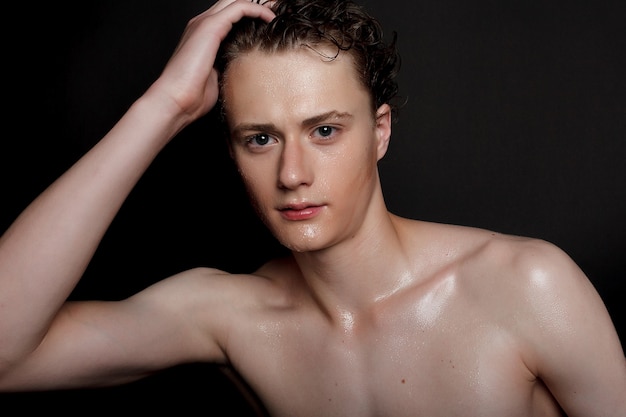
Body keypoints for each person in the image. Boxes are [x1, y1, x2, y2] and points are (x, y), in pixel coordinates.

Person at [0, 0, 624, 415]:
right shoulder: (231, 318)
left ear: (380, 131)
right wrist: (163, 106)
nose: (292, 175)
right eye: (261, 139)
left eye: (325, 131)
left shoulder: (526, 285)